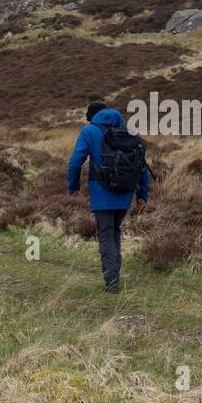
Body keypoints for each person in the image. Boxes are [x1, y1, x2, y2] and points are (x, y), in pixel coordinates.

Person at [67, 101, 151, 293]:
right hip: (126, 193)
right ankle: (113, 275)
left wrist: (73, 188)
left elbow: (74, 163)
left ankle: (112, 279)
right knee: (114, 231)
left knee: (106, 233)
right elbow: (142, 165)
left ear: (93, 116)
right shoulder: (130, 132)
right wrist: (142, 194)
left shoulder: (89, 132)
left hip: (101, 193)